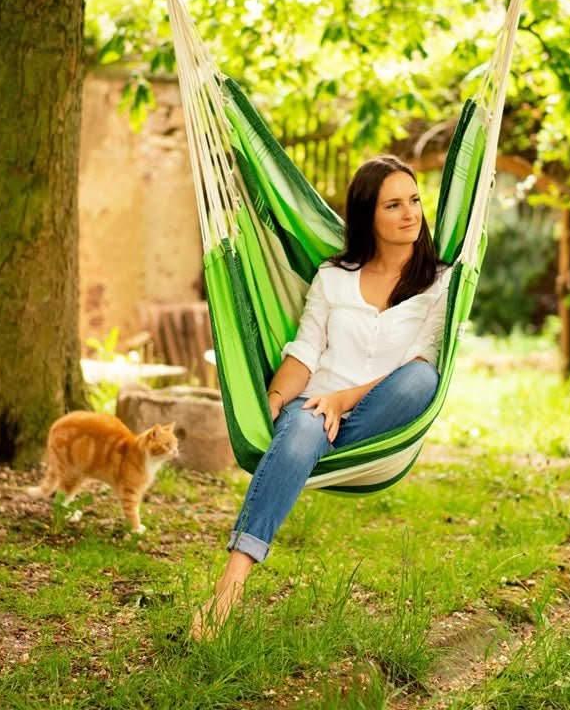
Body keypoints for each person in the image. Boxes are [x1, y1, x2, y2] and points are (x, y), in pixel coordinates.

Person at [191, 154, 451, 639]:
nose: (410, 213)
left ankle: (309, 440)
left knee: (421, 381)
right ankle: (229, 588)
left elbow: (420, 363)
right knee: (302, 423)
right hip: (313, 407)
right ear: (367, 217)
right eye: (393, 205)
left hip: (376, 418)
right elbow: (305, 354)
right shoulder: (333, 277)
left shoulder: (440, 284)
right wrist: (269, 402)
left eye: (414, 200)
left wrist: (342, 401)